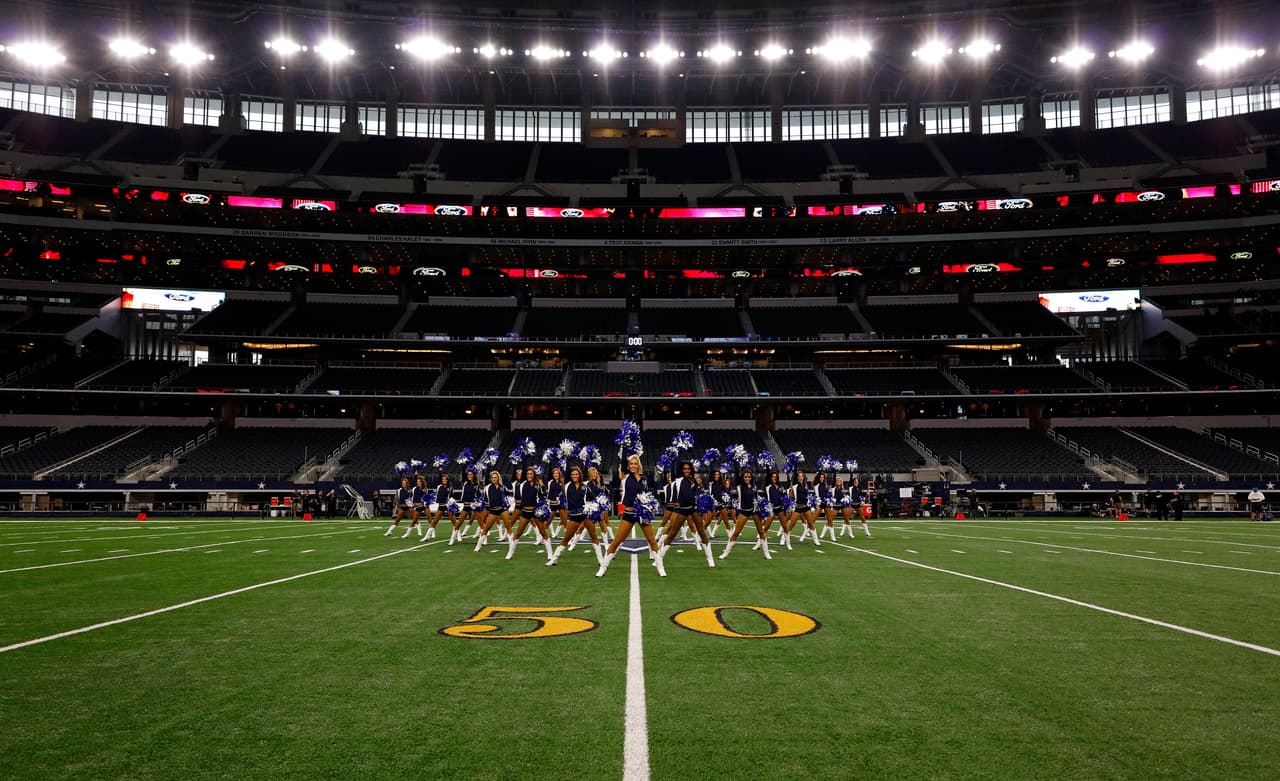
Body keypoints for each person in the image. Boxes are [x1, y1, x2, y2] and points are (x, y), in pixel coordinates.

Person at [596, 455, 666, 578]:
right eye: (631, 464)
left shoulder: (644, 478)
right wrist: (626, 443)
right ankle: (603, 567)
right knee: (617, 541)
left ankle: (660, 568)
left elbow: (646, 495)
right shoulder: (625, 476)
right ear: (628, 466)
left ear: (638, 465)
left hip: (642, 513)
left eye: (635, 463)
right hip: (628, 513)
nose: (633, 465)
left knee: (652, 540)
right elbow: (623, 462)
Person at [658, 460, 716, 568]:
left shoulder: (693, 479)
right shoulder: (679, 479)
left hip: (693, 509)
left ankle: (710, 558)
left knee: (702, 533)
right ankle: (659, 558)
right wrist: (677, 453)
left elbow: (695, 494)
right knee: (672, 534)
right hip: (682, 510)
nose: (686, 470)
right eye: (684, 469)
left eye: (688, 469)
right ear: (681, 470)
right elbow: (674, 469)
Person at [547, 466, 605, 566]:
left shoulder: (585, 486)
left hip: (585, 514)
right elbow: (560, 497)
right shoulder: (566, 486)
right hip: (574, 515)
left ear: (580, 475)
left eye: (576, 474)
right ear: (570, 475)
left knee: (593, 536)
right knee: (566, 538)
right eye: (573, 474)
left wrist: (596, 507)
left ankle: (601, 561)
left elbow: (593, 499)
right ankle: (554, 559)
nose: (574, 476)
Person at [720, 468, 770, 561]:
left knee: (761, 532)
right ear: (742, 477)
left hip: (754, 510)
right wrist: (736, 459)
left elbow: (756, 498)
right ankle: (725, 554)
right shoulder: (740, 486)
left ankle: (766, 553)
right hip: (744, 511)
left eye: (749, 477)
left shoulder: (754, 486)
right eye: (746, 476)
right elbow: (736, 473)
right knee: (736, 533)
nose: (747, 478)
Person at [507, 467, 554, 560]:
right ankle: (510, 552)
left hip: (536, 512)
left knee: (543, 532)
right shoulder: (522, 484)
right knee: (518, 533)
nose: (529, 475)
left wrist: (543, 487)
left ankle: (550, 554)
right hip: (525, 512)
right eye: (528, 474)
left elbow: (543, 497)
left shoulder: (538, 485)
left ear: (534, 475)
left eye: (531, 474)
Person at [474, 471, 510, 550]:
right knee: (486, 528)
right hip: (493, 510)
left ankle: (511, 546)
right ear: (490, 479)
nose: (494, 479)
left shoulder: (503, 487)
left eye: (495, 477)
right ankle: (478, 546)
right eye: (492, 478)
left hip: (503, 509)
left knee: (508, 527)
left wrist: (507, 503)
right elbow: (485, 500)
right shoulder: (487, 487)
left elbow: (508, 496)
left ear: (498, 478)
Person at [790, 469, 821, 546]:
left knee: (810, 523)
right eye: (799, 476)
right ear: (797, 477)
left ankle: (816, 540)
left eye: (802, 476)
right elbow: (794, 475)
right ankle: (784, 539)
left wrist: (811, 505)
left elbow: (806, 497)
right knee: (792, 524)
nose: (801, 477)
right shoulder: (795, 485)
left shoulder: (805, 486)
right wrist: (795, 463)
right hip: (797, 507)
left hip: (805, 507)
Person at [452, 468, 481, 545]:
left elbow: (479, 495)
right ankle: (452, 539)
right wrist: (464, 462)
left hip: (473, 505)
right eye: (468, 474)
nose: (469, 475)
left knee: (480, 522)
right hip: (466, 505)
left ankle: (483, 539)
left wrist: (479, 502)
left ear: (474, 475)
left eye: (471, 474)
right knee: (460, 522)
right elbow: (463, 473)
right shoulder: (465, 482)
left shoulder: (476, 484)